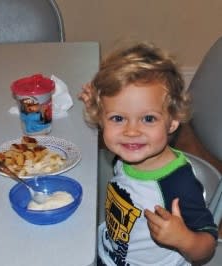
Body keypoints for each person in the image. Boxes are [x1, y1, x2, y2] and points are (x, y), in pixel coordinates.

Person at [78, 42, 218, 265]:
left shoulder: (177, 185)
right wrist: (97, 105)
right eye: (118, 118)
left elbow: (207, 247)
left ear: (172, 122)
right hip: (110, 250)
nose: (131, 132)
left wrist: (184, 239)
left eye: (148, 119)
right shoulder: (130, 150)